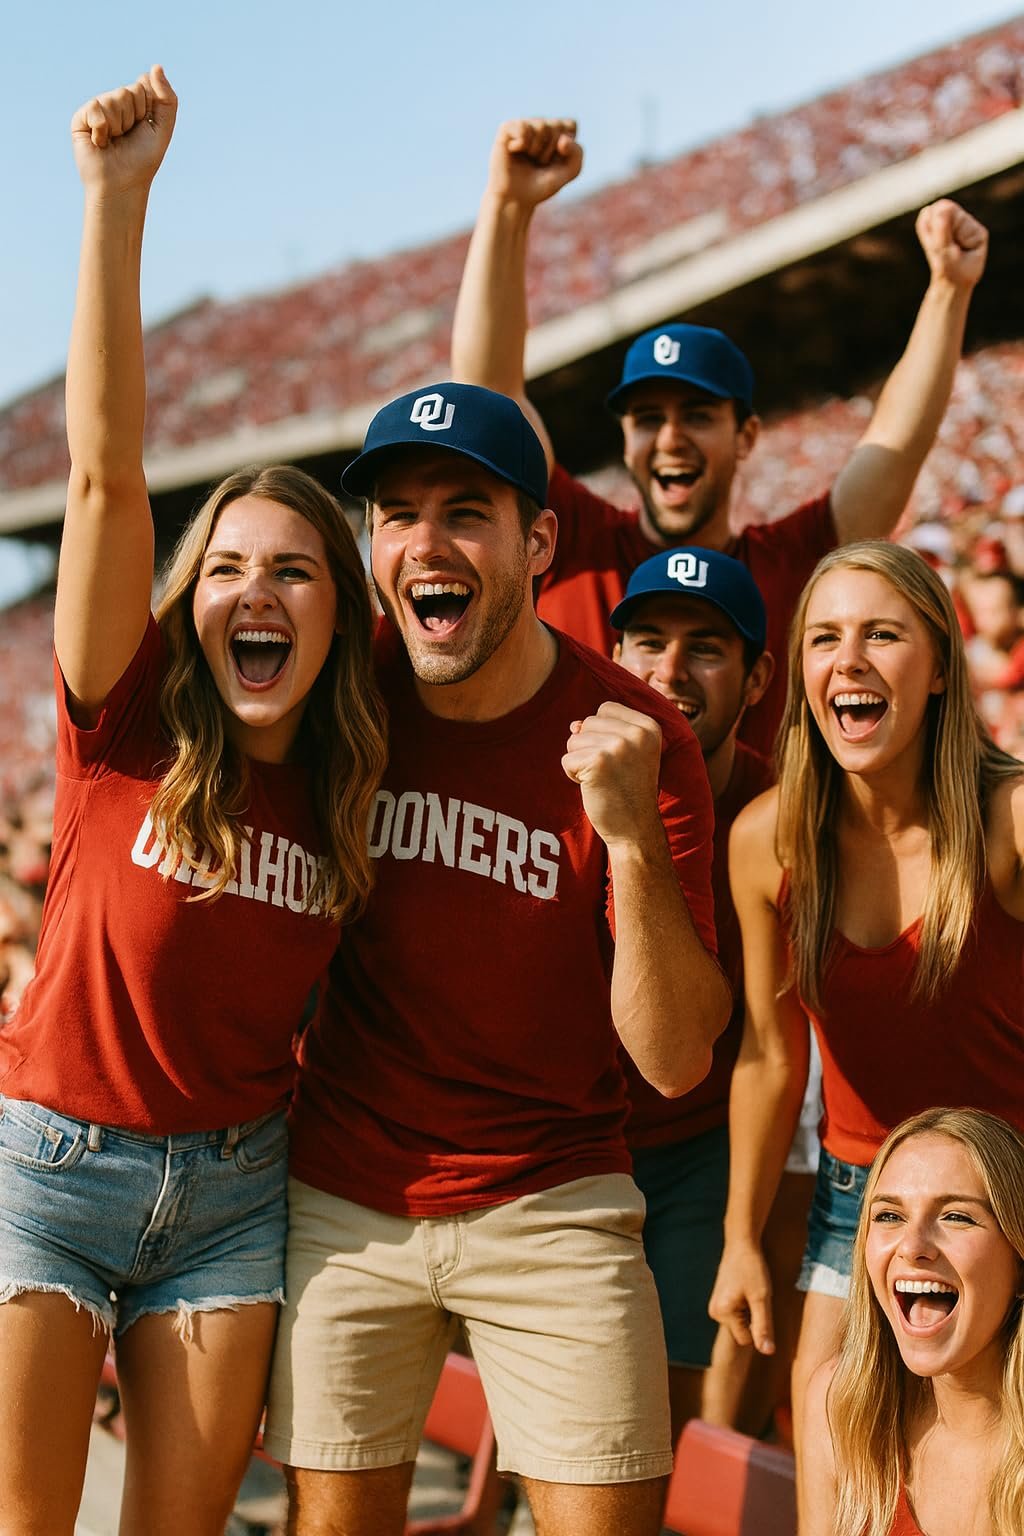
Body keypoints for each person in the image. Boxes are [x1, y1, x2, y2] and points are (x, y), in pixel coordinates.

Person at [0, 69, 387, 1535]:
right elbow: (105, 480)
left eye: (292, 568)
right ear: (190, 602)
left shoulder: (356, 782)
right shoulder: (126, 720)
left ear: (336, 613)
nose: (254, 590)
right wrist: (115, 202)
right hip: (53, 1166)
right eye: (225, 567)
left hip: (234, 1200)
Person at [263, 381, 731, 1536]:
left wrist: (626, 833)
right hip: (346, 1193)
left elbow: (674, 1059)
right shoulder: (336, 688)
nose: (425, 541)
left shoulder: (639, 735)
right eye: (396, 513)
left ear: (537, 541)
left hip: (555, 1197)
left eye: (466, 510)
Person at [450, 118, 990, 755]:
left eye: (698, 415)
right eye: (648, 419)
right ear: (625, 440)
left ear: (747, 436)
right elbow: (489, 393)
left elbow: (896, 441)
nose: (671, 437)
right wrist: (507, 206)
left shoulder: (794, 565)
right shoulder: (570, 540)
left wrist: (949, 291)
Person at [707, 541, 1023, 1519]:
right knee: (835, 1484)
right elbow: (768, 1056)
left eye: (880, 635)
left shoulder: (1009, 818)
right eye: (823, 638)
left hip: (1012, 1196)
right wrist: (740, 1235)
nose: (847, 661)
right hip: (858, 1200)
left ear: (936, 666)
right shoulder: (767, 840)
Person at [608, 546, 775, 1439]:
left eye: (704, 646)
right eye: (647, 640)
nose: (669, 671)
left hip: (698, 1145)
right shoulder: (563, 774)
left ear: (757, 681)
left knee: (665, 1414)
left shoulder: (780, 812)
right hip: (568, 1137)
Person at [802, 1107, 1024, 1536]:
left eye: (956, 1216)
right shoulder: (841, 1403)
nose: (913, 1245)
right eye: (889, 1216)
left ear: (1019, 1264)